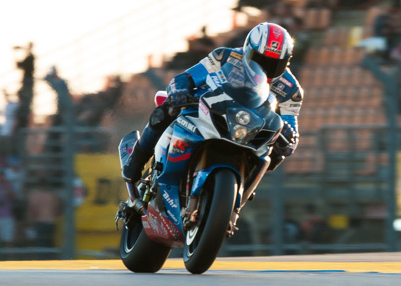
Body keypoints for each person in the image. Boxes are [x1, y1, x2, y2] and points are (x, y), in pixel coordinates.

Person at [121, 22, 303, 185]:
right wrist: (180, 92)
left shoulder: (291, 90)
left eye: (274, 64)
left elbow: (291, 132)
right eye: (260, 60)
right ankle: (135, 163)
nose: (264, 68)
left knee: (275, 154)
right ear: (248, 50)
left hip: (248, 130)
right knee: (166, 110)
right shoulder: (225, 56)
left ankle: (238, 193)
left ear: (285, 63)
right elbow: (185, 78)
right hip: (210, 109)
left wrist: (288, 137)